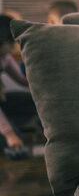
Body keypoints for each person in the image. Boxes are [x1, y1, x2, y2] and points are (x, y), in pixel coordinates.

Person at [0, 14, 36, 154]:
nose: (13, 47)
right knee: (12, 142)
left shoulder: (5, 57)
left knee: (34, 101)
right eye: (11, 43)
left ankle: (7, 124)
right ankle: (6, 129)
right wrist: (9, 134)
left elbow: (23, 81)